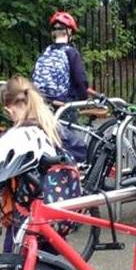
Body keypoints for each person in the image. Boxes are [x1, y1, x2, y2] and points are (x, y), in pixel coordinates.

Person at [0, 75, 72, 270]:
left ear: (11, 106)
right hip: (56, 213)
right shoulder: (52, 128)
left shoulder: (15, 137)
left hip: (26, 217)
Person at [32, 10, 89, 162]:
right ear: (69, 32)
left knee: (50, 135)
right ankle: (71, 167)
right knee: (68, 138)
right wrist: (84, 99)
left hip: (44, 101)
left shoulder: (47, 51)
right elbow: (80, 79)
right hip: (64, 103)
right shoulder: (71, 52)